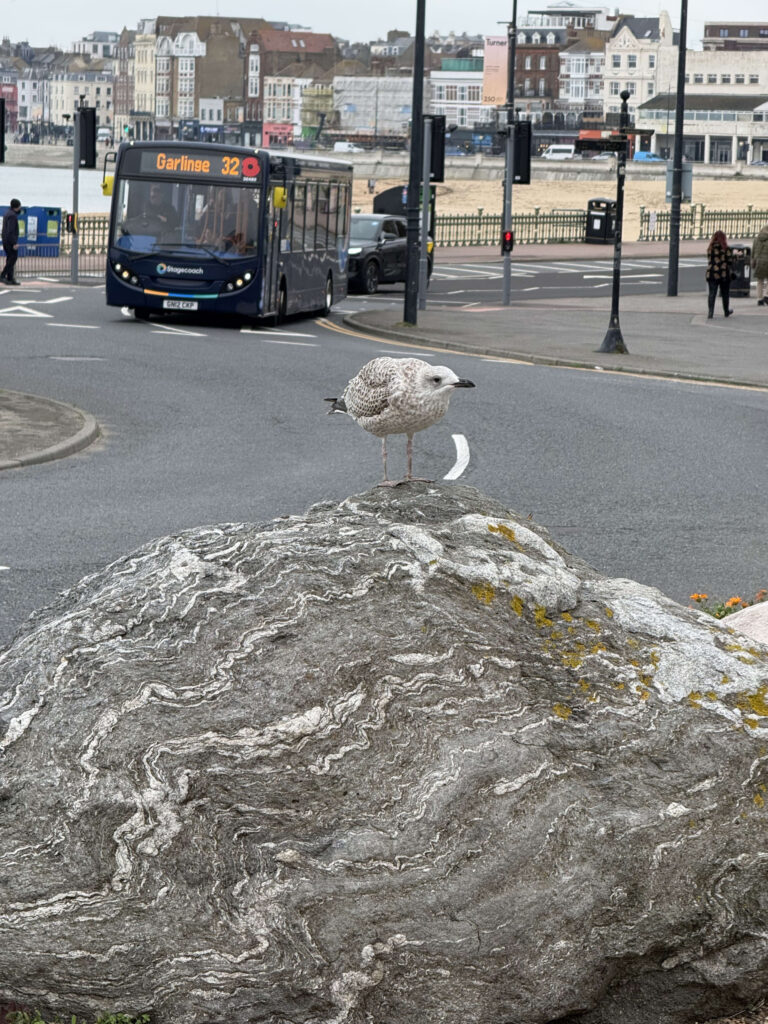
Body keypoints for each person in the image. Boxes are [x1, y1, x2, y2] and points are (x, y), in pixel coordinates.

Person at [705, 230, 733, 319]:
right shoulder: (726, 248)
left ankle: (710, 312)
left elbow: (710, 259)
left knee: (712, 293)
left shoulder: (710, 248)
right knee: (725, 293)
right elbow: (730, 261)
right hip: (723, 273)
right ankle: (726, 311)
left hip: (712, 272)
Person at [1, 198, 22, 285]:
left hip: (5, 240)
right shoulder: (13, 216)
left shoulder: (7, 213)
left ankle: (10, 278)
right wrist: (14, 243)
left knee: (10, 259)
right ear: (17, 207)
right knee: (13, 258)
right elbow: (11, 230)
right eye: (20, 206)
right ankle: (2, 275)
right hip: (10, 241)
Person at [751, 223, 768, 307]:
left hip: (758, 262)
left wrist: (753, 261)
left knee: (759, 281)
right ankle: (767, 295)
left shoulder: (756, 239)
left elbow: (753, 251)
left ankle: (759, 299)